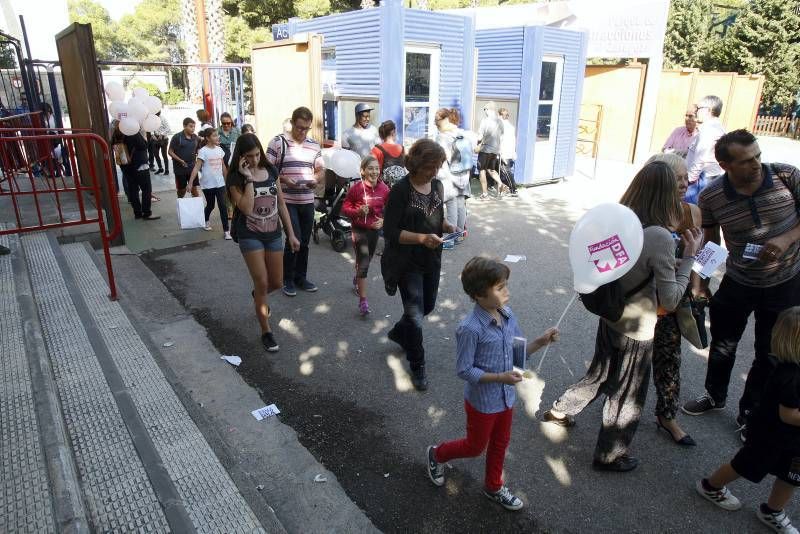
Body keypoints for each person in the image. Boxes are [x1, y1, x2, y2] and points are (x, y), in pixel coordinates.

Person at [542, 161, 702, 472]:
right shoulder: (659, 236)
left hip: (611, 315)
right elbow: (669, 299)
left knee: (601, 372)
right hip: (638, 328)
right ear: (667, 195)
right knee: (628, 394)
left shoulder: (621, 219)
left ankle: (561, 410)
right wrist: (690, 256)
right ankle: (610, 454)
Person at [682, 130, 800, 433]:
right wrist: (700, 282)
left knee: (769, 353)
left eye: (758, 155)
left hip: (786, 283)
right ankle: (715, 395)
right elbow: (711, 242)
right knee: (722, 345)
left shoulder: (787, 176)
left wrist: (787, 238)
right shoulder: (711, 196)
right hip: (739, 282)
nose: (757, 164)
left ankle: (750, 412)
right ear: (725, 165)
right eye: (747, 160)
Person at [425, 256, 558, 511]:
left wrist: (541, 341)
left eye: (505, 284)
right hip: (482, 402)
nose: (507, 291)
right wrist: (499, 377)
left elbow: (517, 354)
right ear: (478, 295)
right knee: (476, 447)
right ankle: (437, 454)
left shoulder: (507, 315)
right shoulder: (470, 328)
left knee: (500, 443)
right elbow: (464, 370)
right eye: (499, 287)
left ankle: (494, 486)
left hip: (505, 397)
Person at [696, 307, 800, 533]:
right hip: (771, 436)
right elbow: (789, 415)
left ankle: (772, 511)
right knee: (743, 465)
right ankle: (711, 486)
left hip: (794, 442)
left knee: (792, 476)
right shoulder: (790, 376)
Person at [383, 138, 457, 391]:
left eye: (437, 167)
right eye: (430, 167)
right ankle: (418, 364)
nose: (434, 172)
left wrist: (449, 228)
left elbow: (437, 219)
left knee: (427, 307)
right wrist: (421, 238)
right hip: (406, 261)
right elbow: (390, 231)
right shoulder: (400, 191)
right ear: (416, 163)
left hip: (432, 258)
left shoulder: (436, 185)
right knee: (415, 315)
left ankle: (398, 332)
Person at [646, 152, 702, 447]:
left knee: (669, 363)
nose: (685, 183)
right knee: (617, 365)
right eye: (677, 178)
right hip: (642, 304)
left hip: (673, 299)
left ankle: (666, 416)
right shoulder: (641, 215)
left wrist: (694, 286)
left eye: (685, 177)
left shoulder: (691, 212)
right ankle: (569, 406)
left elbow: (697, 256)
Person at [227, 133, 300, 353]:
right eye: (249, 156)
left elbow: (282, 204)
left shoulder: (271, 171)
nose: (255, 159)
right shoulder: (235, 179)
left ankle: (258, 296)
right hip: (250, 234)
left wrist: (292, 233)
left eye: (258, 154)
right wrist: (247, 177)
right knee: (261, 281)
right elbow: (247, 208)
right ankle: (266, 331)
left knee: (276, 282)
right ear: (241, 157)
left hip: (273, 233)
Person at [266, 106, 324, 296]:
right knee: (294, 238)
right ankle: (287, 279)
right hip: (286, 200)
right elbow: (266, 170)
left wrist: (315, 180)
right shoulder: (278, 142)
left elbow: (320, 170)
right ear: (292, 123)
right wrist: (283, 179)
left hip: (307, 199)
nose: (302, 132)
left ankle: (301, 277)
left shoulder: (314, 145)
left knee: (305, 241)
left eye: (306, 128)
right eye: (299, 127)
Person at [341, 156, 390, 315]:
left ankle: (357, 277)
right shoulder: (356, 188)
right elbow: (344, 208)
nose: (374, 171)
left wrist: (383, 220)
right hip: (359, 230)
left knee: (367, 259)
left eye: (376, 168)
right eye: (370, 168)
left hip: (374, 231)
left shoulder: (384, 189)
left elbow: (391, 210)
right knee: (364, 263)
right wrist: (358, 211)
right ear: (363, 171)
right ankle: (363, 301)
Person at [434, 108, 470, 240]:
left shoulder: (441, 137)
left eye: (437, 120)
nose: (434, 122)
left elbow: (442, 157)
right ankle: (460, 234)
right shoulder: (461, 133)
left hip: (448, 174)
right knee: (460, 202)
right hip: (463, 173)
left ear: (445, 120)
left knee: (451, 203)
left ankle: (451, 237)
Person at [189, 128, 230, 239]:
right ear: (207, 138)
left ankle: (226, 231)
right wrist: (191, 182)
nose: (217, 137)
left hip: (220, 183)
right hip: (207, 184)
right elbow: (197, 167)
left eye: (217, 135)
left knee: (222, 206)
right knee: (211, 205)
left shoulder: (220, 150)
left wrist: (227, 181)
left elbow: (223, 167)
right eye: (214, 135)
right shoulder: (203, 151)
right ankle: (205, 219)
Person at [684, 95, 726, 204]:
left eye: (698, 108)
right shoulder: (714, 126)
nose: (696, 112)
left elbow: (700, 159)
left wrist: (688, 181)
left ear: (708, 110)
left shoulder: (709, 129)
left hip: (701, 180)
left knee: (690, 212)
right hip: (707, 177)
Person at [121, 127, 160, 221]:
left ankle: (137, 213)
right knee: (146, 188)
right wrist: (144, 136)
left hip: (125, 164)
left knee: (133, 189)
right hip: (139, 164)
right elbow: (143, 145)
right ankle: (147, 213)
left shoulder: (119, 130)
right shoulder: (132, 130)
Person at [476, 101, 506, 200]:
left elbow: (480, 136)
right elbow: (502, 135)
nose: (485, 112)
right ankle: (501, 184)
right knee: (491, 170)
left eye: (485, 110)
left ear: (489, 110)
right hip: (495, 150)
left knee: (482, 170)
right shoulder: (500, 121)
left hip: (485, 150)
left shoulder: (485, 121)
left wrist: (477, 142)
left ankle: (485, 194)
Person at [169, 118, 201, 198]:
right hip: (180, 170)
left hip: (192, 168)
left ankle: (197, 208)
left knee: (194, 190)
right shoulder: (177, 137)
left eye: (194, 127)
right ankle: (180, 206)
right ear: (184, 126)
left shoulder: (195, 137)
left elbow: (198, 149)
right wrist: (180, 161)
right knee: (181, 191)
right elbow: (170, 152)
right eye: (190, 126)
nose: (193, 129)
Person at [371, 120, 406, 186]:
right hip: (401, 189)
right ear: (393, 132)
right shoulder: (402, 149)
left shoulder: (376, 150)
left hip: (384, 189)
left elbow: (372, 172)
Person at [498, 108, 518, 196]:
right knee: (505, 171)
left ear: (500, 115)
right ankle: (505, 188)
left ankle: (513, 190)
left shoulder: (501, 127)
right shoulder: (511, 126)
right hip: (510, 151)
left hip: (504, 152)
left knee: (506, 171)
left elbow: (499, 140)